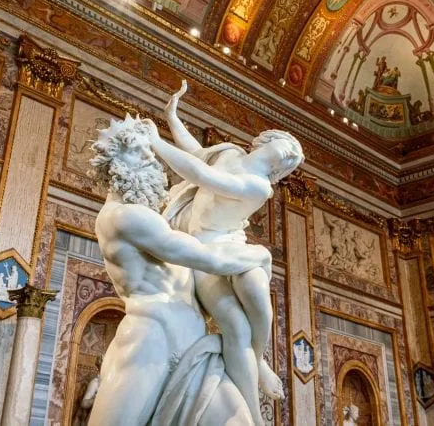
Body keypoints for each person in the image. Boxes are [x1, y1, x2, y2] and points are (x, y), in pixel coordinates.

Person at [88, 116, 267, 425]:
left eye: (149, 150)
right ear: (113, 161)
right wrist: (260, 255)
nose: (149, 157)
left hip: (193, 347)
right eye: (136, 150)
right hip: (150, 342)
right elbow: (207, 259)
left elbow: (199, 173)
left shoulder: (157, 216)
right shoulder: (123, 218)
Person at [147, 81, 303, 424]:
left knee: (252, 284)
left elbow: (202, 175)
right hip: (201, 252)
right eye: (290, 146)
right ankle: (253, 412)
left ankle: (259, 361)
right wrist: (171, 117)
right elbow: (196, 156)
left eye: (294, 160)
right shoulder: (230, 152)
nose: (292, 154)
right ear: (268, 137)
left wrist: (155, 142)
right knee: (234, 325)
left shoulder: (260, 187)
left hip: (232, 246)